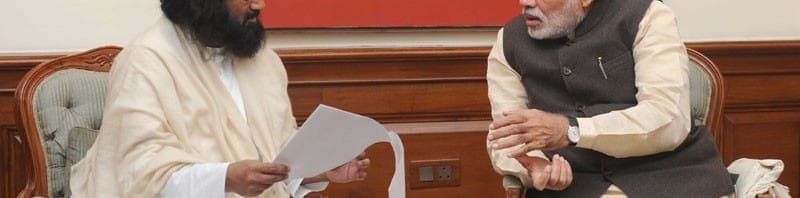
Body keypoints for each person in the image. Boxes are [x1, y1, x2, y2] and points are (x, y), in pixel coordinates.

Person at [69, 0, 370, 197]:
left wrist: (317, 168)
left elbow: (277, 161)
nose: (259, 4)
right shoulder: (145, 62)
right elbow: (141, 179)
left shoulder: (264, 63)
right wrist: (226, 178)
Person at [485, 0, 735, 197]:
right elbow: (504, 136)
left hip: (673, 179)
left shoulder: (649, 17)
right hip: (573, 188)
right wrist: (534, 166)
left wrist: (571, 130)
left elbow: (668, 118)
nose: (525, 2)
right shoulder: (508, 41)